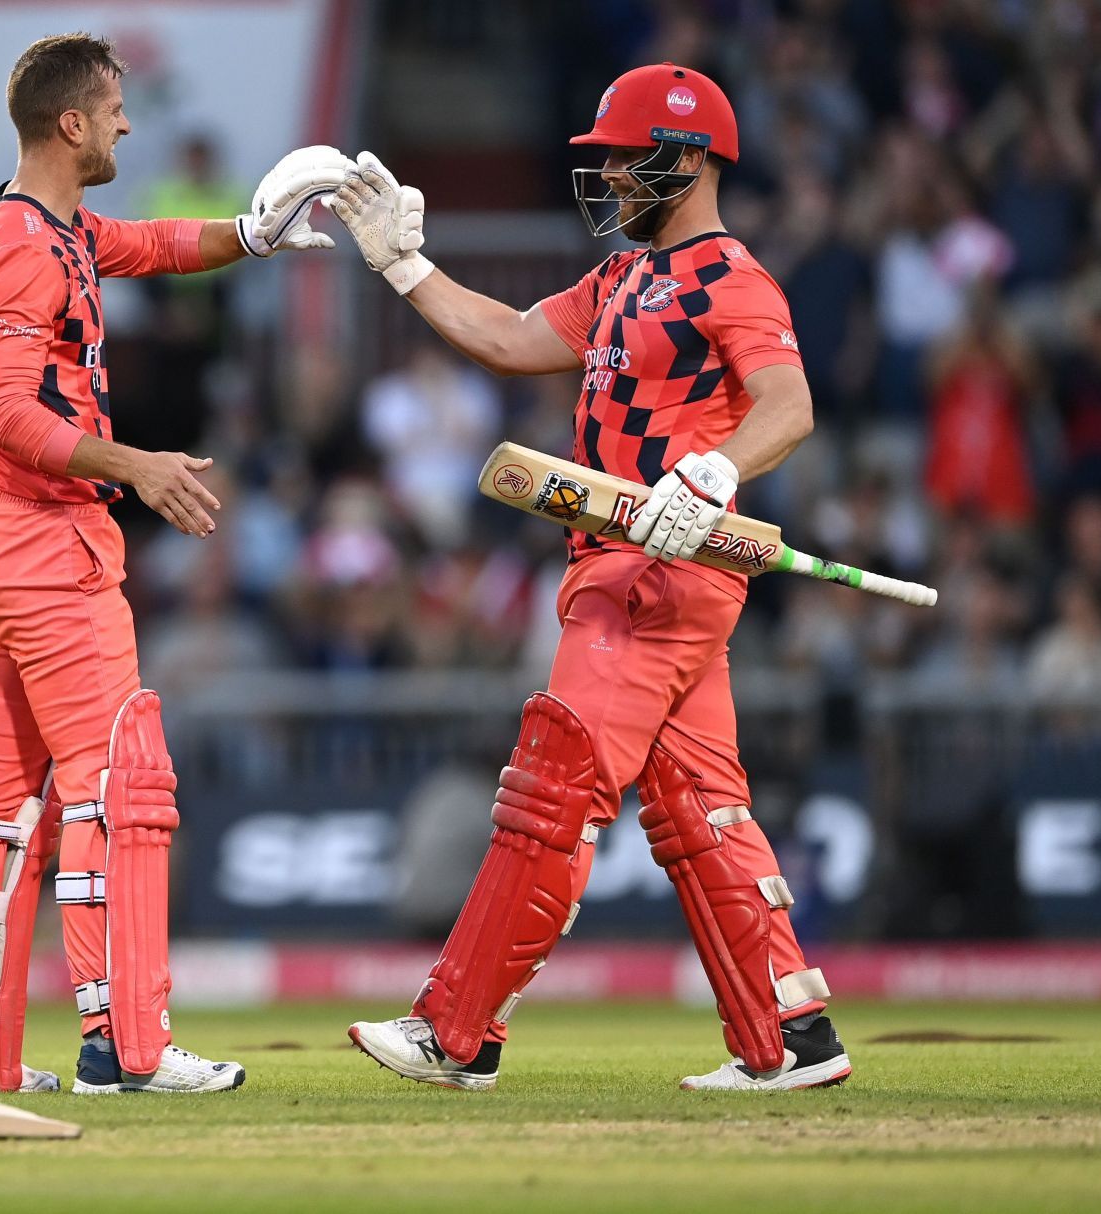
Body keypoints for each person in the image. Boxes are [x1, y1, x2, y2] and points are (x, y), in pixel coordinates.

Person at [333, 63, 851, 1092]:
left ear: (692, 159)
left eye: (629, 154)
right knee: (703, 811)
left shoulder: (731, 277)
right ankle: (791, 1038)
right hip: (636, 567)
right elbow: (509, 337)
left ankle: (458, 1029)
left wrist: (713, 469)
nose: (611, 173)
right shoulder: (619, 280)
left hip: (656, 570)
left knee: (553, 783)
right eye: (607, 156)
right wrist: (403, 266)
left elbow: (786, 405)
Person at [0, 32, 351, 1095]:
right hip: (45, 535)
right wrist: (138, 467)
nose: (126, 122)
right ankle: (124, 1044)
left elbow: (157, 245)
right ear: (71, 123)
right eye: (113, 108)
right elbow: (18, 412)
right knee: (114, 790)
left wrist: (253, 234)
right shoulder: (29, 247)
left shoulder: (32, 225)